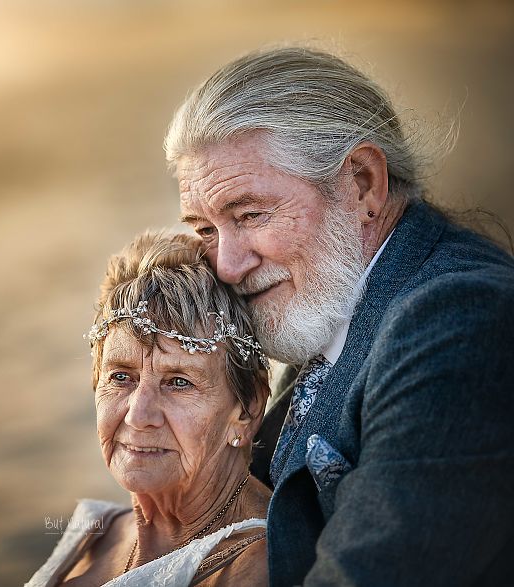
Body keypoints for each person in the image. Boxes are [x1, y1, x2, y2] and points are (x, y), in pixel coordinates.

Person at [165, 46, 514, 585]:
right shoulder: (332, 296)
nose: (228, 266)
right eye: (206, 230)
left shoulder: (461, 321)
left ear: (362, 183)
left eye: (251, 214)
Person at [26, 231, 273, 586]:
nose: (138, 416)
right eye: (121, 376)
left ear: (247, 411)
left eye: (178, 382)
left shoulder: (254, 567)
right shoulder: (94, 530)